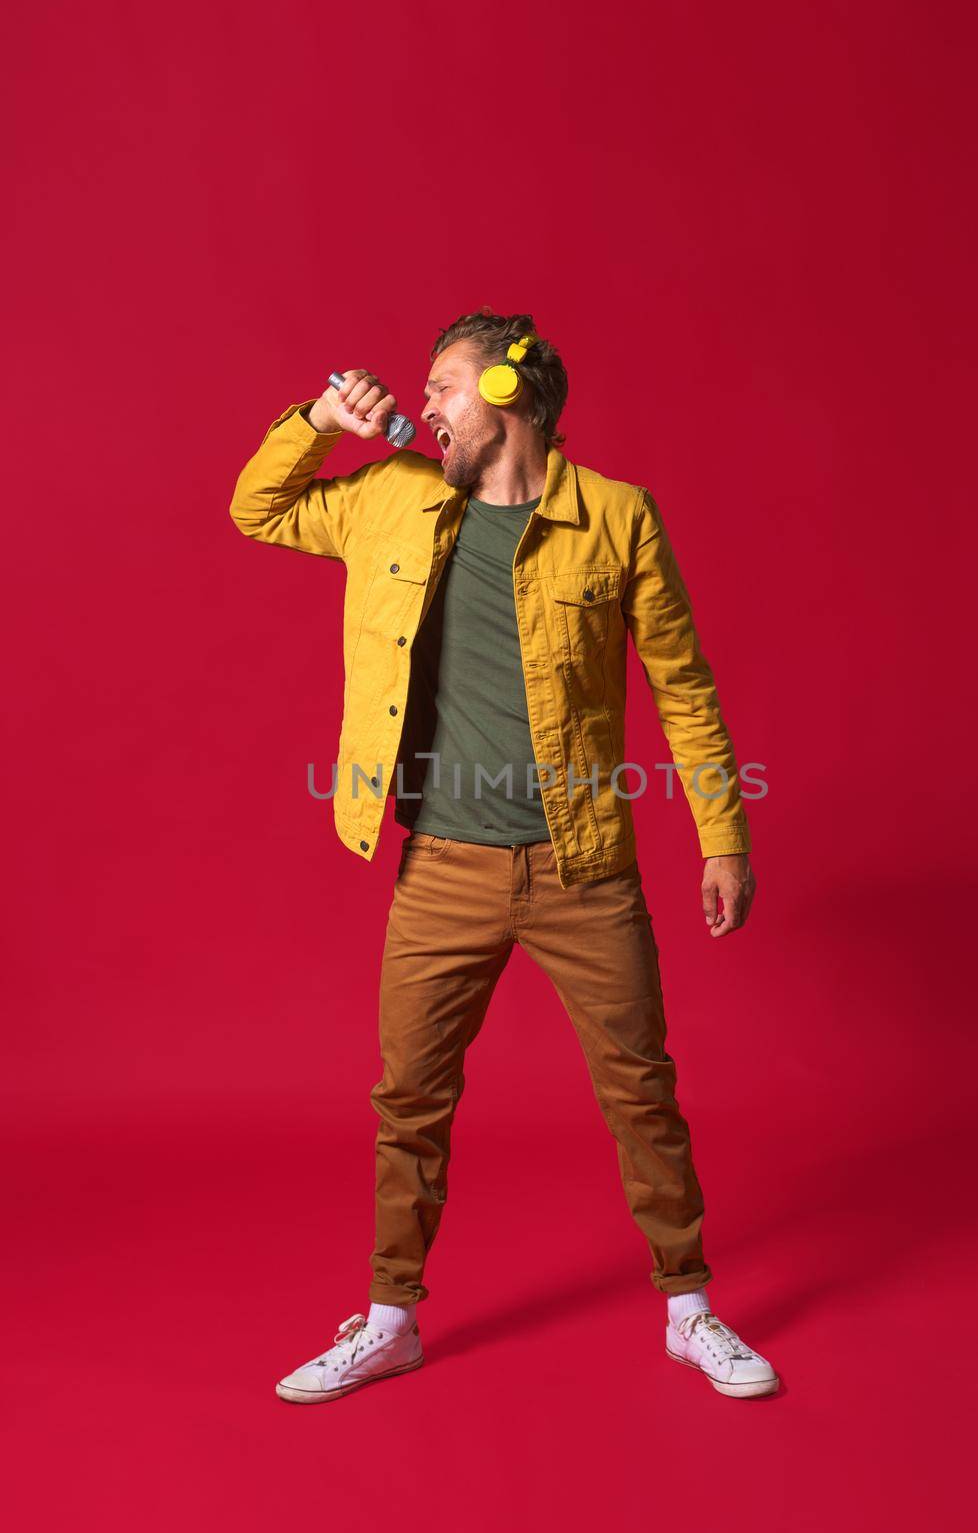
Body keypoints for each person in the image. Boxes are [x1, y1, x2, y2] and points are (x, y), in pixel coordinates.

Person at [228, 309, 779, 1403]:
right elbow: (256, 509)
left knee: (640, 1090)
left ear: (510, 393)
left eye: (444, 385)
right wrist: (319, 421)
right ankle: (391, 1319)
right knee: (409, 1099)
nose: (422, 403)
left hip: (585, 867)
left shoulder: (617, 518)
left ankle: (687, 1307)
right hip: (442, 866)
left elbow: (682, 685)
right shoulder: (390, 496)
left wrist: (722, 832)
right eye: (422, 390)